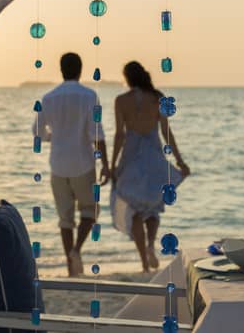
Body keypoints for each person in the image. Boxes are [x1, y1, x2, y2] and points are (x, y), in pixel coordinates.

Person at [110, 61, 190, 273]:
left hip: (131, 155)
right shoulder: (157, 98)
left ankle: (144, 263)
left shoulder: (121, 100)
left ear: (127, 78)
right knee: (153, 206)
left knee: (135, 209)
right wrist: (179, 160)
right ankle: (151, 245)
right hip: (153, 154)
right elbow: (166, 132)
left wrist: (112, 164)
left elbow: (119, 134)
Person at [34, 52, 109, 277]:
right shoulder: (89, 96)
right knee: (90, 211)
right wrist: (106, 164)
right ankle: (76, 250)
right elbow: (97, 133)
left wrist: (52, 137)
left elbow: (37, 131)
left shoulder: (48, 98)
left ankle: (70, 265)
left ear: (61, 70)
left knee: (65, 220)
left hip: (58, 165)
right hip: (83, 163)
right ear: (80, 69)